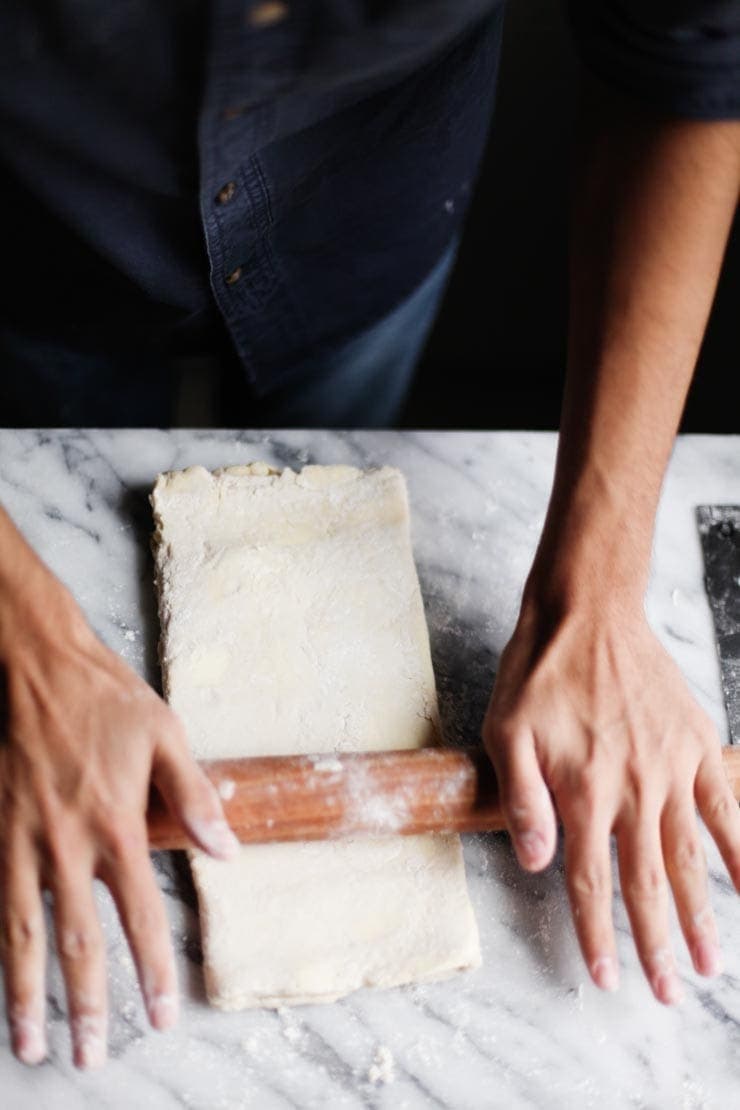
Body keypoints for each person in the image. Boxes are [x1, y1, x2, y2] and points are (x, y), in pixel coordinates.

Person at [1, 0, 739, 1071]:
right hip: (33, 252)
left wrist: (594, 589)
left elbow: (682, 72)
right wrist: (27, 642)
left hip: (355, 230)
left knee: (344, 468)